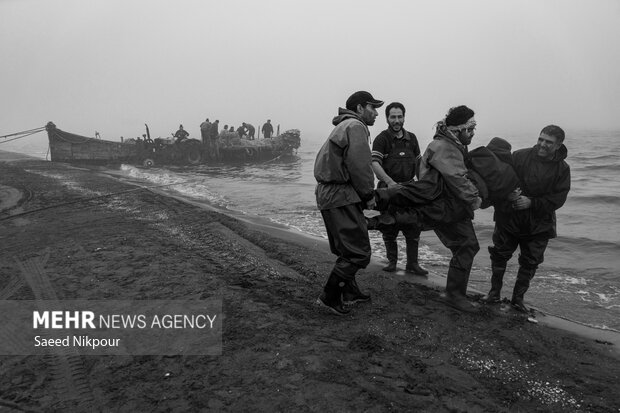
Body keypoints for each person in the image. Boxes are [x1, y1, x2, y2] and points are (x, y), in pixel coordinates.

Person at [481, 125, 570, 313]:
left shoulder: (563, 169)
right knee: (499, 255)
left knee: (530, 263)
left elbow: (558, 198)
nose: (542, 145)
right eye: (541, 139)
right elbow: (501, 180)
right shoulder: (519, 156)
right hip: (509, 217)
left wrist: (532, 202)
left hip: (539, 224)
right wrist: (509, 195)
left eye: (548, 142)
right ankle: (493, 293)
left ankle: (517, 299)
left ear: (559, 144)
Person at [314, 91, 383, 315]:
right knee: (357, 252)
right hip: (339, 194)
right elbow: (360, 166)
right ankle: (329, 297)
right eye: (373, 108)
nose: (376, 113)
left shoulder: (344, 125)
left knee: (347, 248)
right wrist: (369, 195)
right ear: (361, 108)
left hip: (329, 193)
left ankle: (350, 292)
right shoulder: (356, 126)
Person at [418, 105, 482, 312]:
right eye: (470, 129)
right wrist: (474, 199)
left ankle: (454, 291)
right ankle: (454, 295)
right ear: (458, 130)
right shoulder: (446, 147)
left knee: (462, 246)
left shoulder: (446, 144)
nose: (472, 133)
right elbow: (456, 177)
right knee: (468, 245)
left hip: (443, 205)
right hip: (446, 206)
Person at [371, 102, 428, 276]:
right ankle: (392, 262)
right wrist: (389, 182)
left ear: (404, 117)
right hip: (389, 191)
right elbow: (374, 163)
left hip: (410, 189)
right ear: (387, 118)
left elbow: (420, 164)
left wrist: (424, 184)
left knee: (413, 227)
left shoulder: (412, 138)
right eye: (393, 117)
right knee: (389, 227)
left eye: (400, 116)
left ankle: (412, 264)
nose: (397, 120)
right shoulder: (382, 139)